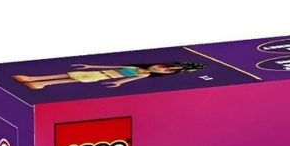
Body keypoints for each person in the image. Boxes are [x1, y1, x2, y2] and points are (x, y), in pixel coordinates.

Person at [12, 61, 204, 90]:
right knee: (70, 74)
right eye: (163, 66)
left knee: (69, 79)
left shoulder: (144, 75)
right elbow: (111, 65)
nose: (161, 68)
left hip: (103, 77)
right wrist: (90, 65)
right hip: (98, 71)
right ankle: (33, 78)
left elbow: (127, 79)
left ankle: (43, 84)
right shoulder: (136, 67)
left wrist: (119, 84)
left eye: (166, 71)